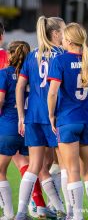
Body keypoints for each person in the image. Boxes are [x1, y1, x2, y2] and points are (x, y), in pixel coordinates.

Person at [48, 22, 88, 220]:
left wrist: (50, 115)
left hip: (67, 120)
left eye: (64, 38)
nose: (62, 41)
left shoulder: (60, 60)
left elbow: (53, 92)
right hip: (87, 120)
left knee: (72, 171)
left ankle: (78, 216)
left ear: (69, 40)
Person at [15, 16, 66, 220]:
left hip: (32, 115)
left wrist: (21, 116)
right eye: (63, 31)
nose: (66, 35)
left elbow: (20, 86)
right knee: (65, 165)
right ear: (55, 34)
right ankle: (66, 210)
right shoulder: (61, 55)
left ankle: (20, 212)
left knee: (37, 166)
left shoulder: (32, 56)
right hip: (55, 116)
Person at [0, 41, 30, 219]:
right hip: (28, 128)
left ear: (10, 55)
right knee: (32, 169)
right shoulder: (31, 75)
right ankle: (29, 208)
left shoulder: (4, 74)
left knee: (1, 171)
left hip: (8, 127)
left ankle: (10, 213)